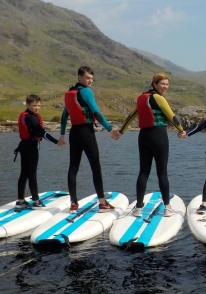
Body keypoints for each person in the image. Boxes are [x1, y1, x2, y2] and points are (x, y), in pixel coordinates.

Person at [120, 73, 186, 217]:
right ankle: (167, 207)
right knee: (162, 172)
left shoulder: (142, 98)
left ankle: (138, 208)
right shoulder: (158, 98)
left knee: (144, 171)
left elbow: (131, 116)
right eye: (162, 84)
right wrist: (181, 130)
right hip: (158, 136)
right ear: (154, 84)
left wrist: (121, 132)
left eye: (167, 84)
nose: (165, 87)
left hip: (143, 136)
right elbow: (171, 115)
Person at [57, 66, 121, 213]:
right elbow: (96, 113)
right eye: (87, 78)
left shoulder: (69, 93)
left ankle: (73, 203)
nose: (90, 81)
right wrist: (110, 130)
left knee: (73, 167)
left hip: (74, 133)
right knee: (95, 166)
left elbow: (64, 115)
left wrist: (62, 135)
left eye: (92, 79)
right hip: (86, 132)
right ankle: (102, 203)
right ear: (79, 77)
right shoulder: (86, 92)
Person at [14, 94, 59, 208]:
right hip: (30, 147)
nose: (37, 108)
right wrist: (56, 141)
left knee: (24, 173)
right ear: (28, 105)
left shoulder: (27, 116)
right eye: (34, 105)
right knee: (32, 173)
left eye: (39, 105)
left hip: (23, 146)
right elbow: (42, 132)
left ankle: (20, 200)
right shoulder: (31, 117)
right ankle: (36, 201)